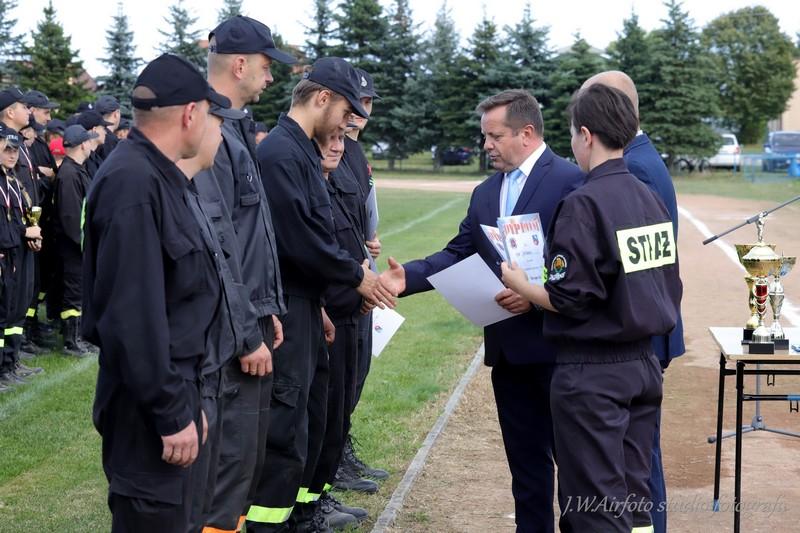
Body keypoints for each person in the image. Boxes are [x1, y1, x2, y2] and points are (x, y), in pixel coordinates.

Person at [399, 89, 584, 533]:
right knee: (526, 467)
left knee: (576, 468)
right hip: (509, 352)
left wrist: (536, 294)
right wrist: (403, 278)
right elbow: (458, 252)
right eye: (485, 136)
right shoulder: (485, 192)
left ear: (526, 133)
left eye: (494, 136)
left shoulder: (571, 180)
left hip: (560, 352)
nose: (486, 145)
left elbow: (581, 262)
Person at [501, 83, 682, 533]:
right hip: (643, 365)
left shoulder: (584, 201)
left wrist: (523, 285)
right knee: (635, 502)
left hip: (594, 374)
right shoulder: (648, 194)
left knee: (593, 508)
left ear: (586, 135)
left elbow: (570, 298)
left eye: (572, 135)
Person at [82, 53, 241, 532]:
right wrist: (172, 411)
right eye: (209, 114)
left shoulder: (158, 176)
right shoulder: (133, 183)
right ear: (191, 113)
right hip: (145, 408)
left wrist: (189, 402)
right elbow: (131, 318)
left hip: (171, 388)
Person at [248, 57, 396, 533]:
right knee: (286, 426)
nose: (347, 123)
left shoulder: (300, 150)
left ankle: (304, 514)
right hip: (288, 306)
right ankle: (272, 525)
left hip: (308, 304)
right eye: (346, 110)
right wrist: (357, 276)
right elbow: (301, 238)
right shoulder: (282, 153)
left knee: (312, 418)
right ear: (322, 98)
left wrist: (323, 303)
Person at [194, 15, 293, 533]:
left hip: (247, 322)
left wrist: (266, 309)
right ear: (238, 64)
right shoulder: (210, 133)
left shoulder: (234, 129)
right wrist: (245, 331)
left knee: (240, 468)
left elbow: (251, 236)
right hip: (227, 337)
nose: (270, 76)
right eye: (265, 65)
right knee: (224, 468)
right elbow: (218, 247)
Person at [581, 70, 685, 533]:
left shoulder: (633, 168)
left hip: (635, 334)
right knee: (638, 456)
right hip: (647, 326)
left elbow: (637, 268)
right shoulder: (644, 156)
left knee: (636, 462)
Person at [335, 68, 388, 488]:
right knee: (337, 382)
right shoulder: (329, 149)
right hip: (341, 283)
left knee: (356, 373)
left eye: (367, 103)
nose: (360, 112)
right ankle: (334, 460)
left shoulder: (355, 152)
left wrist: (368, 244)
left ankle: (341, 451)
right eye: (355, 102)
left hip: (361, 274)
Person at [0, 127, 43, 388]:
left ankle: (11, 361)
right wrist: (24, 232)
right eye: (7, 149)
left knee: (16, 310)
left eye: (15, 150)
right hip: (6, 255)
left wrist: (32, 235)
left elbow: (19, 219)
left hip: (19, 252)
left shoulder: (13, 180)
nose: (12, 154)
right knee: (3, 313)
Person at [53, 125, 98, 357]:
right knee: (74, 293)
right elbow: (71, 217)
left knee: (80, 292)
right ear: (82, 145)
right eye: (89, 141)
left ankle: (80, 337)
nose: (92, 144)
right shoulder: (70, 174)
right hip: (73, 248)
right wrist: (84, 245)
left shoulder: (77, 170)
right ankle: (72, 342)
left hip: (80, 246)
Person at [76, 110, 111, 178]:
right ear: (94, 130)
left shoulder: (94, 157)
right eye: (103, 128)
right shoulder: (83, 160)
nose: (105, 132)